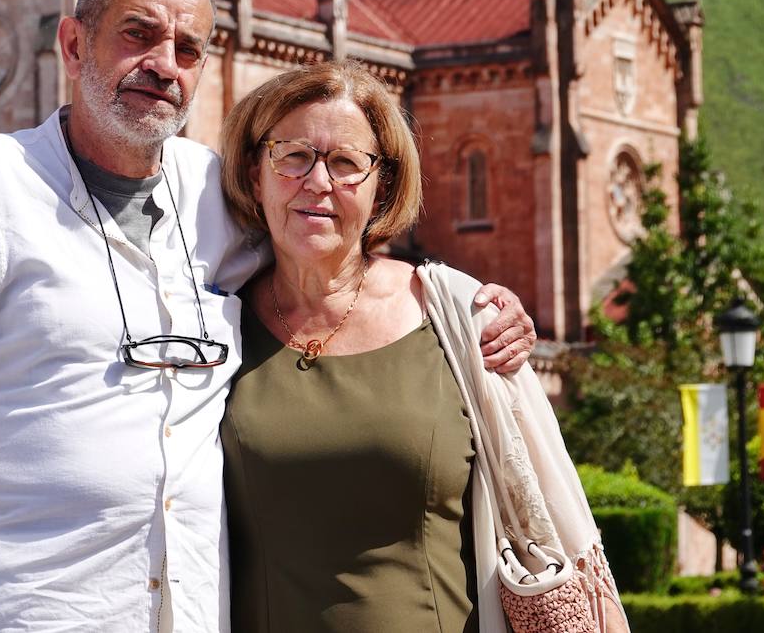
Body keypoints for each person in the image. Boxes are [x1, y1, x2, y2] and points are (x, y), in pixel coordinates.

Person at [0, 0, 536, 632]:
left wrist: (476, 305)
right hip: (20, 609)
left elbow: (327, 265)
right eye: (137, 35)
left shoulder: (220, 197)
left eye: (187, 49)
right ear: (74, 45)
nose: (163, 63)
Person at [210, 61, 623, 629]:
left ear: (382, 187)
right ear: (256, 172)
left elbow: (543, 500)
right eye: (293, 155)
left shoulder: (459, 317)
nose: (318, 182)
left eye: (346, 163)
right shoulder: (211, 319)